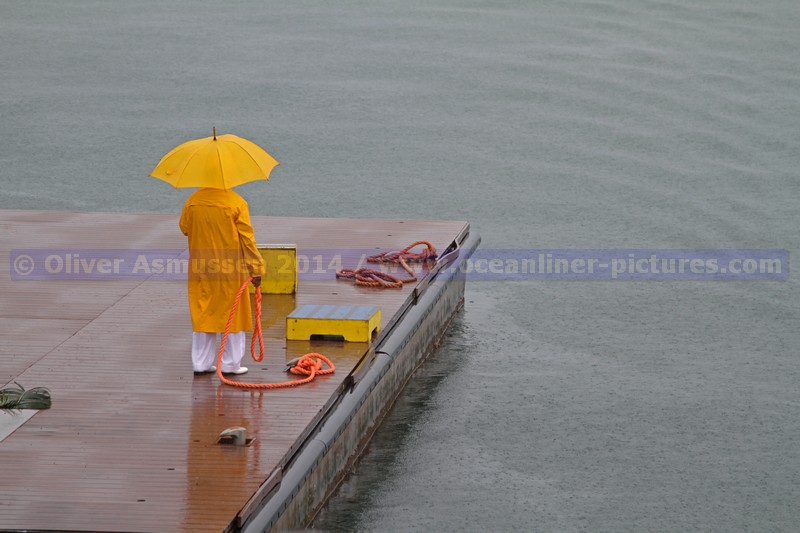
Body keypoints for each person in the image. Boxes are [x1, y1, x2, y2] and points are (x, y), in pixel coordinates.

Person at [179, 187, 264, 375]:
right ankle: (230, 364)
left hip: (201, 266)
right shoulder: (236, 202)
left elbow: (184, 228)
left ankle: (200, 363)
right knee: (233, 314)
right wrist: (256, 268)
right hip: (229, 267)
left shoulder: (193, 201)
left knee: (204, 312)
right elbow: (247, 239)